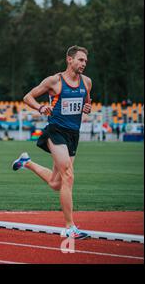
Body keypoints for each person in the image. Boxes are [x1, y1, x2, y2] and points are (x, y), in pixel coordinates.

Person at [12, 45, 92, 239]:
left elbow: (87, 102)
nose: (83, 64)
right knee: (68, 176)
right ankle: (70, 227)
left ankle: (26, 162)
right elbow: (27, 97)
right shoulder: (54, 81)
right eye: (80, 60)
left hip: (73, 134)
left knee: (57, 183)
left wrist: (87, 108)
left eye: (85, 61)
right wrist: (40, 108)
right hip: (55, 131)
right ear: (69, 59)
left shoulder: (87, 82)